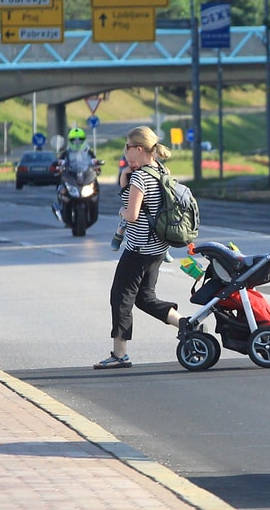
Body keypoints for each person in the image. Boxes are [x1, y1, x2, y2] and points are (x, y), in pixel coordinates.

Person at [94, 126, 183, 369]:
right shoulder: (161, 171)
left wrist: (122, 208)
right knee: (145, 298)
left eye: (128, 147)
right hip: (157, 248)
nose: (126, 152)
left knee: (120, 298)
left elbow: (132, 214)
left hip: (138, 248)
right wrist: (125, 179)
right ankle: (184, 323)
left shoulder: (140, 177)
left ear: (139, 149)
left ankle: (120, 354)